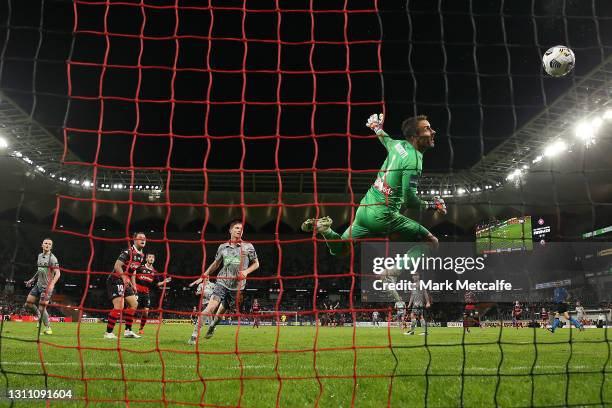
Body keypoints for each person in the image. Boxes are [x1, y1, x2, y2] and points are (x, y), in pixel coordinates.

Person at [301, 114, 446, 302]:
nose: (433, 131)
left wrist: (377, 127)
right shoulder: (415, 161)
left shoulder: (398, 145)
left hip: (365, 208)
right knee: (431, 241)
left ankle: (327, 231)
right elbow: (410, 200)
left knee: (341, 249)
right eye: (427, 128)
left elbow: (386, 140)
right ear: (415, 137)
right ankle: (392, 272)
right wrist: (433, 205)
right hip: (384, 215)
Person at [188, 221, 259, 344]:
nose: (239, 230)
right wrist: (204, 275)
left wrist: (246, 272)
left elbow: (256, 264)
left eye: (241, 228)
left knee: (221, 313)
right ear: (230, 230)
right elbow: (216, 264)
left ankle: (213, 326)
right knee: (210, 307)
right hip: (222, 281)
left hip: (237, 287)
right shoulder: (223, 247)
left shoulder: (248, 247)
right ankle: (194, 334)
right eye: (236, 228)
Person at [104, 232, 146, 339]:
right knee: (119, 306)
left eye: (144, 238)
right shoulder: (128, 252)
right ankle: (108, 333)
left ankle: (128, 331)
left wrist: (133, 284)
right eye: (140, 238)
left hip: (125, 281)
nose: (143, 240)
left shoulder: (141, 255)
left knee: (134, 304)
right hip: (115, 279)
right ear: (134, 240)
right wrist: (124, 278)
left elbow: (133, 271)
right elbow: (117, 266)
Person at [24, 238, 60, 335]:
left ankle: (48, 328)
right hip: (38, 285)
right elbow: (40, 270)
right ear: (42, 245)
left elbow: (58, 273)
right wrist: (32, 279)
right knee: (28, 303)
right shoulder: (39, 256)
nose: (47, 245)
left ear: (51, 246)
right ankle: (40, 315)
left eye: (49, 244)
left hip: (47, 287)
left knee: (42, 307)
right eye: (46, 243)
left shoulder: (52, 258)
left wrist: (52, 284)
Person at [134, 253, 171, 335]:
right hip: (137, 290)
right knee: (132, 308)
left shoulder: (154, 272)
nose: (151, 259)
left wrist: (165, 281)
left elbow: (157, 284)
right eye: (149, 257)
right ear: (146, 259)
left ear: (154, 260)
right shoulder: (140, 268)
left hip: (146, 293)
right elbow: (133, 276)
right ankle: (128, 328)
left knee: (146, 312)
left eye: (152, 258)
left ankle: (141, 329)